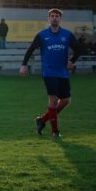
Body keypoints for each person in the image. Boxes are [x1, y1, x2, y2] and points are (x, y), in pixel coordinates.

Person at [20, 9, 81, 138]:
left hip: (63, 72)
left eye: (57, 16)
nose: (54, 18)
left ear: (60, 19)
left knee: (66, 101)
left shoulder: (67, 34)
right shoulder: (42, 35)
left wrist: (72, 61)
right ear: (48, 19)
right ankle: (55, 131)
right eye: (52, 16)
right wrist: (24, 65)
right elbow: (31, 49)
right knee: (53, 100)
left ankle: (42, 120)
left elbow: (78, 49)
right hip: (49, 72)